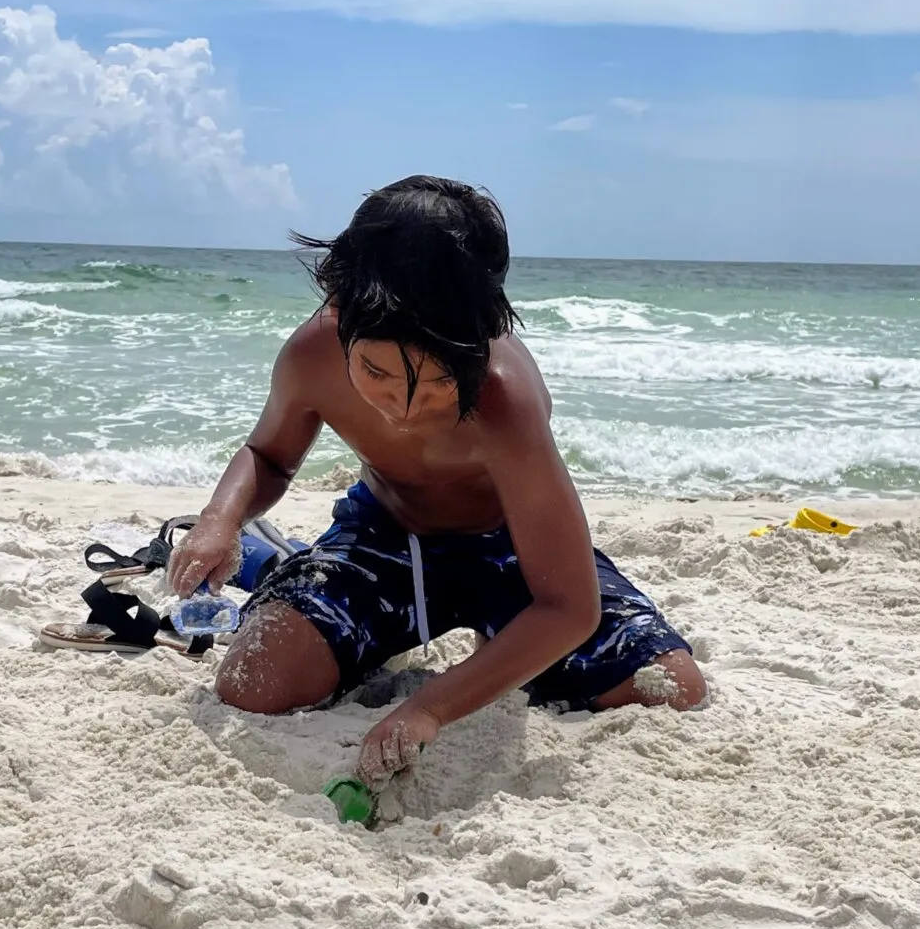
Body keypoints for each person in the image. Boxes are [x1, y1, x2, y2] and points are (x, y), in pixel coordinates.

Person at [169, 176, 705, 786]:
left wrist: (429, 707)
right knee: (253, 683)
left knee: (672, 687)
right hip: (385, 536)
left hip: (507, 549)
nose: (402, 409)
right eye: (375, 372)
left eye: (438, 382)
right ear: (339, 307)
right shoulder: (312, 354)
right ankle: (301, 576)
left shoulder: (504, 400)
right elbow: (268, 456)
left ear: (480, 339)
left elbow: (568, 607)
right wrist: (219, 519)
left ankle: (496, 639)